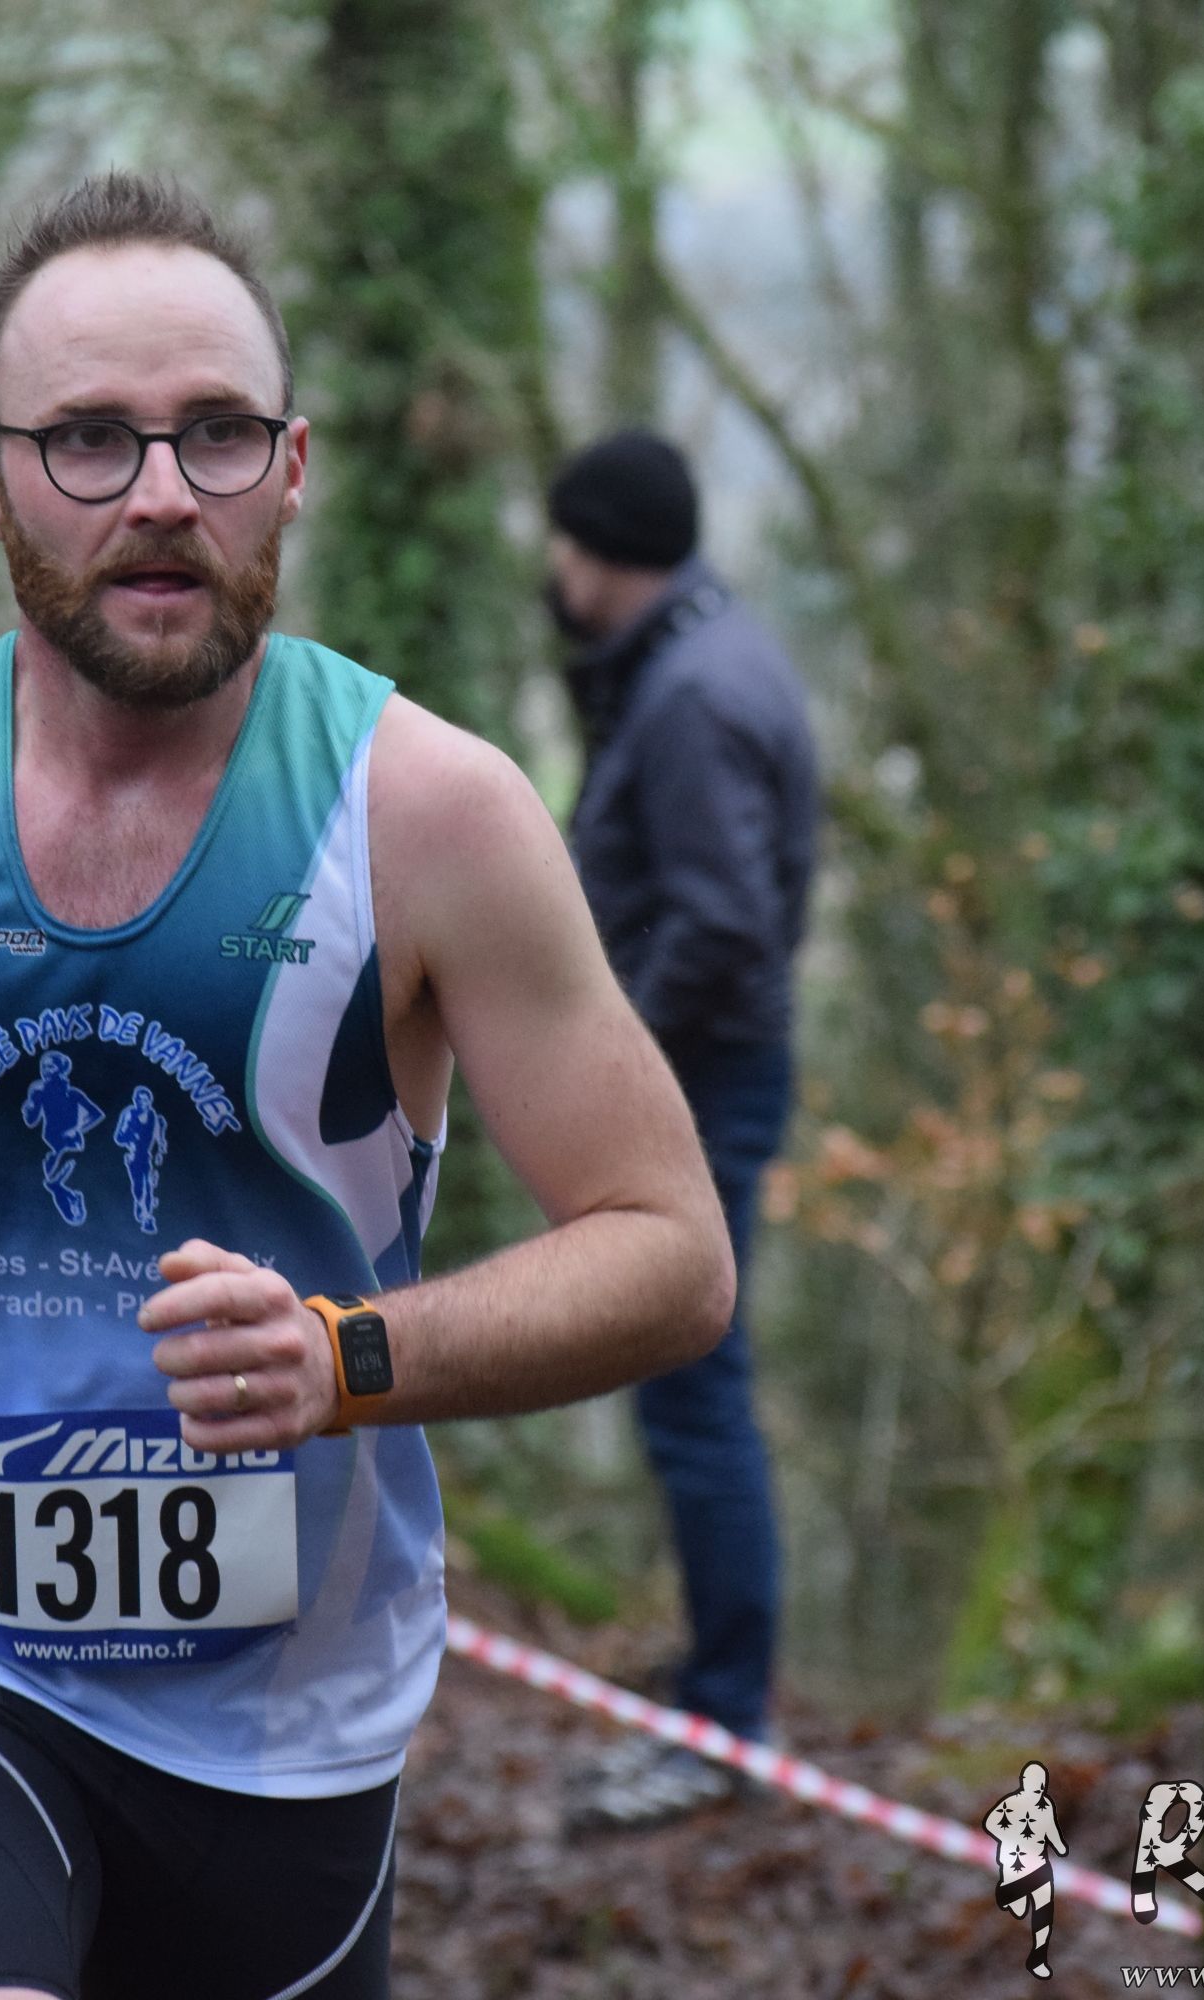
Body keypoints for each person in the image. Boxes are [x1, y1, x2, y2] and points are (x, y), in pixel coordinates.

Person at [0, 173, 737, 2000]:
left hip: (287, 1721)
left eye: (216, 433)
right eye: (91, 440)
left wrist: (351, 1358)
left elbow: (669, 1249)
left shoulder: (431, 818)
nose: (163, 490)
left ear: (294, 467)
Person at [543, 428, 819, 1831]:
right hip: (707, 1072)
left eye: (561, 542)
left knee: (695, 1389)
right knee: (690, 1389)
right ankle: (719, 1679)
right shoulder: (704, 657)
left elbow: (724, 923)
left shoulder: (693, 694)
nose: (551, 570)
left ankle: (725, 1717)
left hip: (700, 1082)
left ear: (596, 549)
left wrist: (612, 1066)